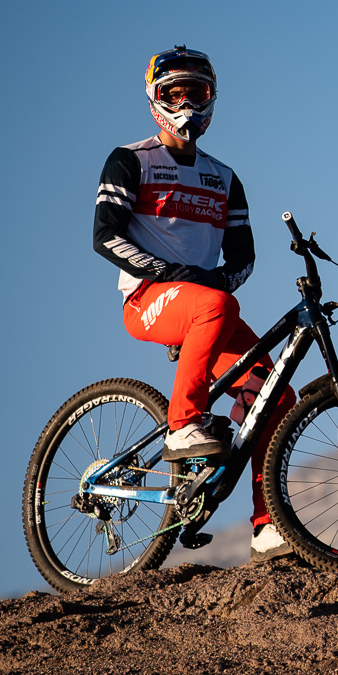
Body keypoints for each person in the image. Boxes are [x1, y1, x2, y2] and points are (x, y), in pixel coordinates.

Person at [92, 45, 295, 563]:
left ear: (212, 100)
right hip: (146, 299)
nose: (185, 104)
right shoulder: (130, 160)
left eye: (196, 93)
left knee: (276, 394)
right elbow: (104, 237)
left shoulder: (225, 178)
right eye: (173, 93)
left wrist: (215, 281)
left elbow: (244, 258)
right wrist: (168, 272)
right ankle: (184, 424)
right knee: (216, 305)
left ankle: (268, 525)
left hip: (204, 304)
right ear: (154, 99)